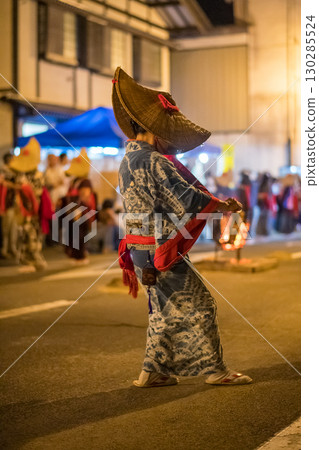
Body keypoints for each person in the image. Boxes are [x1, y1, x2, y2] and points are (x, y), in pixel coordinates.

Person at [112, 67, 252, 387]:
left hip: (136, 249)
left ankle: (152, 371)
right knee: (200, 305)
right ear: (153, 129)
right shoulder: (155, 161)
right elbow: (187, 200)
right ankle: (215, 370)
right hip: (159, 249)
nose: (170, 143)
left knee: (163, 311)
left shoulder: (127, 160)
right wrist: (223, 205)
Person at [9, 138, 53, 270]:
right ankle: (26, 260)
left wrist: (21, 187)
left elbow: (35, 192)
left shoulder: (38, 175)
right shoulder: (22, 174)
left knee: (32, 234)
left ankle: (37, 260)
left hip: (33, 210)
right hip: (23, 209)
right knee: (23, 233)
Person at [58, 178, 97, 264]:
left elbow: (92, 209)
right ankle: (76, 256)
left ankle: (80, 255)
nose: (85, 192)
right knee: (76, 237)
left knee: (81, 237)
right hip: (75, 220)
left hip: (84, 221)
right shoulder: (75, 195)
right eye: (83, 190)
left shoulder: (91, 197)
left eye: (87, 190)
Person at [0, 153, 18, 258]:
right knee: (6, 228)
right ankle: (5, 249)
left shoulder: (15, 170)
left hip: (13, 203)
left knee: (13, 227)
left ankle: (12, 248)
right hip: (6, 203)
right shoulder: (3, 170)